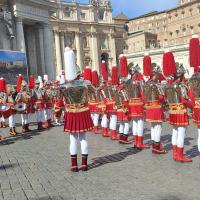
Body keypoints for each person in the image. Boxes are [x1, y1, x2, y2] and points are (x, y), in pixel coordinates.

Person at [63, 45, 93, 172]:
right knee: (83, 138)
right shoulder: (85, 84)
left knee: (73, 139)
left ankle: (74, 165)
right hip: (83, 111)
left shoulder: (64, 86)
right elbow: (94, 93)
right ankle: (84, 164)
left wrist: (58, 111)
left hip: (71, 113)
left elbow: (57, 101)